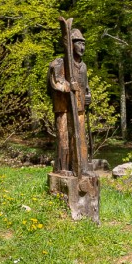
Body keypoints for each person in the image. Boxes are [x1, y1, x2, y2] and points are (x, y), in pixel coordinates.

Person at [47, 28, 91, 175]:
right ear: (70, 45)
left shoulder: (83, 67)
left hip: (79, 107)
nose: (82, 47)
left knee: (80, 138)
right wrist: (67, 86)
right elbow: (55, 82)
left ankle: (81, 167)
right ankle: (63, 168)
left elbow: (85, 86)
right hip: (64, 108)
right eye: (79, 43)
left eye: (83, 44)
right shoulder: (59, 63)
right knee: (64, 137)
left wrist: (87, 96)